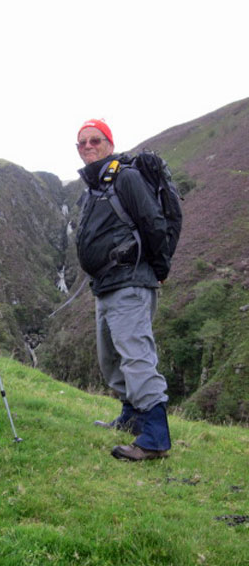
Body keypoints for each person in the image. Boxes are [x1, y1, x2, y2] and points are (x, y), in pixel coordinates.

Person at [75, 118, 172, 461]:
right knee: (111, 358)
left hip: (130, 281)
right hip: (106, 285)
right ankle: (131, 417)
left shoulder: (125, 178)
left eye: (95, 141)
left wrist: (159, 268)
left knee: (136, 356)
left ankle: (155, 437)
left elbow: (154, 224)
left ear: (110, 144)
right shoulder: (94, 187)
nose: (88, 146)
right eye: (82, 143)